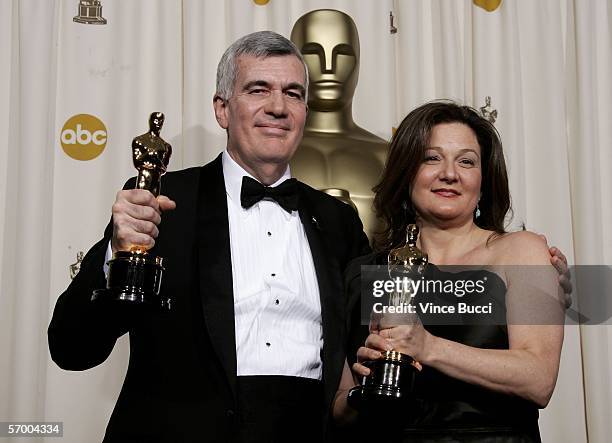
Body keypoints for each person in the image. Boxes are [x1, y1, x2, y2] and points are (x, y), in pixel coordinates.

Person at [48, 31, 370, 442]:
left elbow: (366, 355)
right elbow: (72, 347)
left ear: (305, 110)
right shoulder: (161, 203)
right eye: (258, 89)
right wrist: (117, 251)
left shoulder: (339, 221)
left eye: (293, 94)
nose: (278, 107)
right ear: (222, 109)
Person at [333, 101, 565, 442]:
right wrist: (367, 388)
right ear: (406, 170)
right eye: (431, 158)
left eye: (467, 161)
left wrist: (428, 347)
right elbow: (339, 409)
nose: (449, 173)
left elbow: (539, 378)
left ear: (484, 180)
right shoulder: (362, 272)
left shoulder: (521, 250)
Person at [289, 9, 388, 241]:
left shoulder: (387, 155)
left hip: (372, 276)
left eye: (343, 54)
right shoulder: (271, 153)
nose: (328, 67)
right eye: (312, 53)